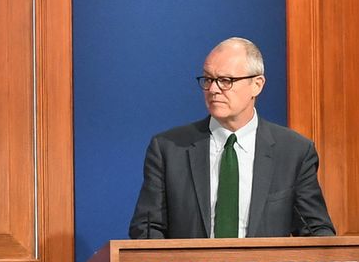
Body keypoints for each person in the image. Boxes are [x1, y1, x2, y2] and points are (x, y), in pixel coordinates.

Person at [128, 36, 335, 240]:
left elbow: (316, 232)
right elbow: (147, 230)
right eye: (208, 79)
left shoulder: (294, 152)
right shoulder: (169, 149)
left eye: (226, 80)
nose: (213, 89)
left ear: (257, 85)